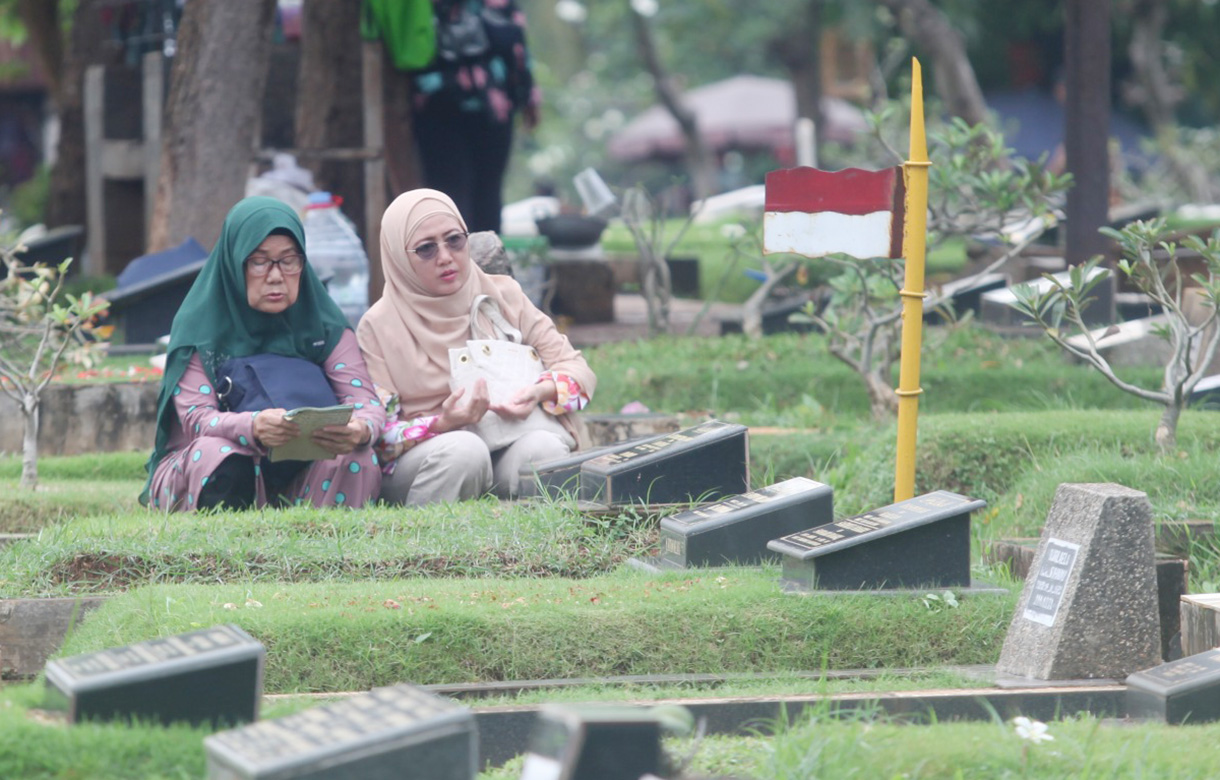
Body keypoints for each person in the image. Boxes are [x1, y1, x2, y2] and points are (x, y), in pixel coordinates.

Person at [140, 197, 385, 512]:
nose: (275, 276)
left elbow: (367, 403)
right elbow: (196, 419)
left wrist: (359, 429)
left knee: (356, 456)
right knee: (219, 453)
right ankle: (225, 555)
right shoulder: (201, 327)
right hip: (201, 469)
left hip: (303, 469)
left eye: (288, 260)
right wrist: (252, 427)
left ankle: (324, 549)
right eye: (259, 261)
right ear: (235, 262)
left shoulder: (323, 323)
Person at [357, 188, 594, 505]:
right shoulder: (377, 326)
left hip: (506, 440)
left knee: (544, 449)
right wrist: (444, 423)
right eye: (426, 249)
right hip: (430, 459)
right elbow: (378, 435)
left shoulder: (503, 294)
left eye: (455, 240)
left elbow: (576, 369)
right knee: (464, 450)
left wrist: (538, 392)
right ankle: (429, 548)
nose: (446, 257)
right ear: (400, 257)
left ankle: (533, 548)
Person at [408, 0, 540, 233]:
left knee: (486, 196)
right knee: (450, 199)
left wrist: (530, 96)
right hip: (440, 107)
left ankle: (483, 267)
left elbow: (517, 39)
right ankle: (458, 265)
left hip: (492, 107)